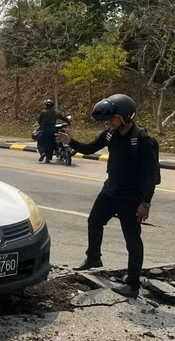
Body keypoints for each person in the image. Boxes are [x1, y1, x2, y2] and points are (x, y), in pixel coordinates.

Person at [56, 94, 158, 298]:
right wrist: (71, 141)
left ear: (125, 116)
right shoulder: (111, 134)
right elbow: (90, 148)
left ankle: (133, 285)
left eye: (113, 118)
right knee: (94, 221)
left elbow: (152, 176)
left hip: (131, 198)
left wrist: (145, 203)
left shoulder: (143, 140)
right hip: (110, 191)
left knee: (132, 241)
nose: (110, 122)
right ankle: (94, 258)